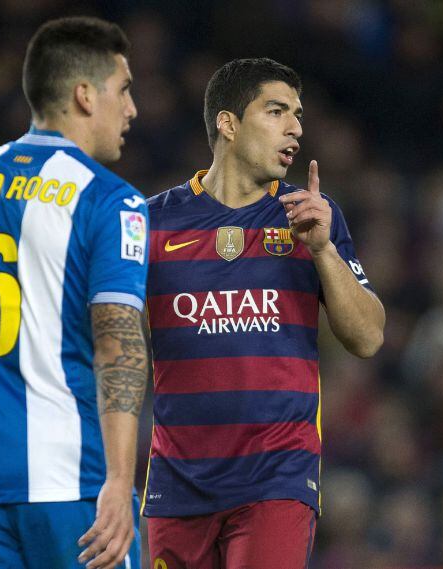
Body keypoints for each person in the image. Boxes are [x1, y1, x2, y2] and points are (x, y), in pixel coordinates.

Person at [0, 17, 149, 569]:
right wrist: (118, 480)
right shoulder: (111, 201)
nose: (132, 109)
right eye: (125, 89)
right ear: (85, 95)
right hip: (73, 487)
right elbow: (117, 347)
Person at [143, 58, 385, 568]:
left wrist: (324, 251)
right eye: (277, 111)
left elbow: (368, 338)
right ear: (228, 124)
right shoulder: (150, 224)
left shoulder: (313, 216)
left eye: (298, 115)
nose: (296, 128)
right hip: (176, 480)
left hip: (277, 476)